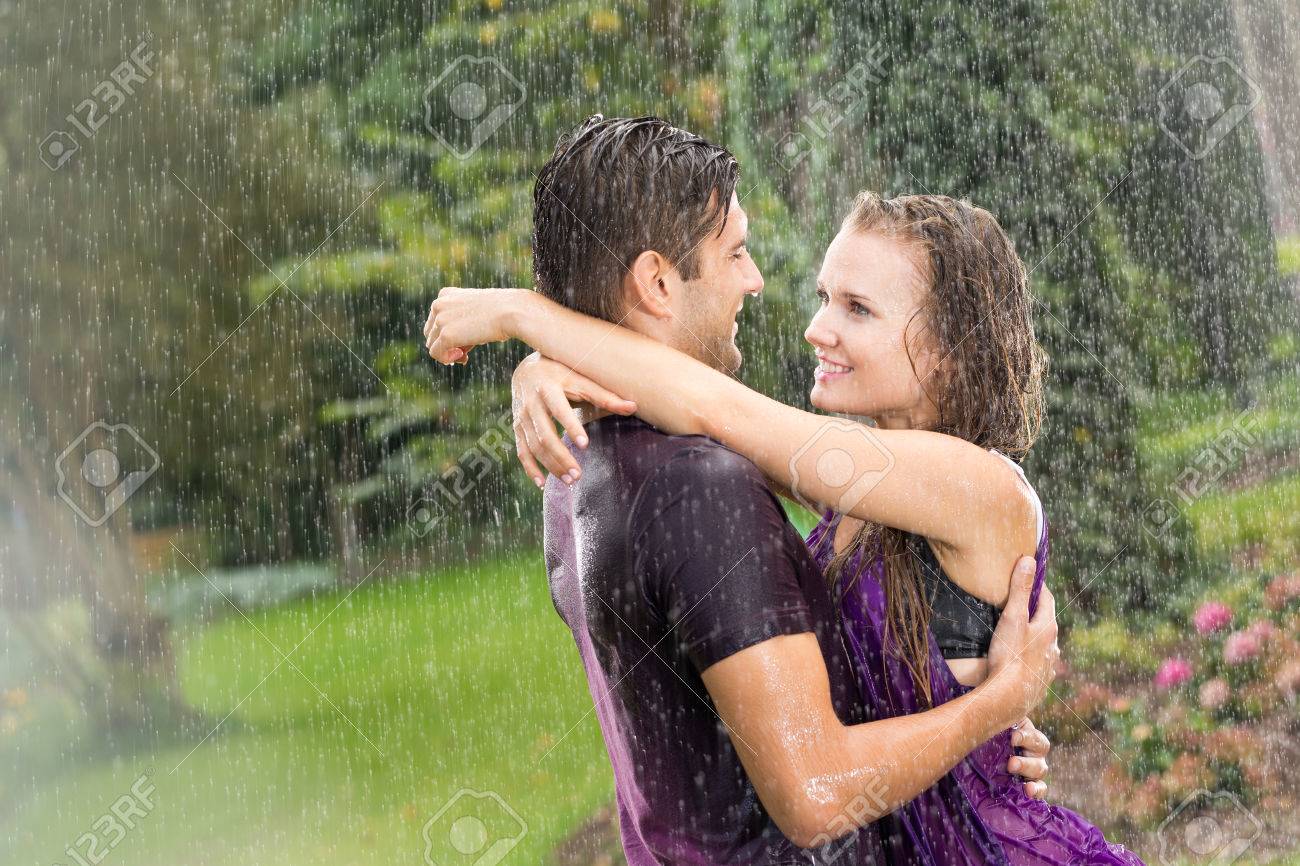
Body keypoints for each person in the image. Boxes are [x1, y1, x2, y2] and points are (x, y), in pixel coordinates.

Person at [424, 115, 1059, 865]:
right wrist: (543, 367)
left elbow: (714, 409)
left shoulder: (975, 485)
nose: (815, 328)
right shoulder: (858, 488)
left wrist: (523, 317)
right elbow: (692, 406)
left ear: (950, 348)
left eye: (857, 309)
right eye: (826, 296)